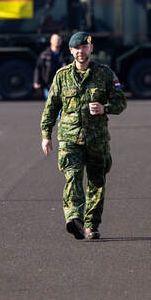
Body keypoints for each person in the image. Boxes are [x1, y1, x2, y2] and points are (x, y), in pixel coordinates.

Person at [40, 31, 126, 241]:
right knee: (72, 177)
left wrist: (104, 108)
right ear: (71, 51)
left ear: (91, 49)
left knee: (97, 182)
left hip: (96, 138)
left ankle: (91, 224)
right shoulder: (62, 76)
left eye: (84, 48)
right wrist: (46, 134)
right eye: (76, 49)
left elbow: (120, 102)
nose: (81, 52)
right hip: (70, 138)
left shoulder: (105, 74)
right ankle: (74, 218)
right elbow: (51, 107)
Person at [34, 33, 67, 101]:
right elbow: (38, 68)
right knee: (50, 103)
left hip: (61, 84)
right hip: (48, 84)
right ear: (51, 41)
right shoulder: (44, 55)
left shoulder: (65, 55)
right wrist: (36, 82)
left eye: (59, 40)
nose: (58, 41)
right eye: (56, 39)